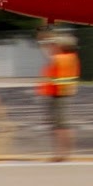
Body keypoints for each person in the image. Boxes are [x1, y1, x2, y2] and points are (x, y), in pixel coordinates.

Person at [37, 28, 81, 161]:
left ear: (62, 47)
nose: (54, 47)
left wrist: (44, 39)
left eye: (57, 45)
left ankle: (61, 154)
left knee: (60, 126)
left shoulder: (61, 59)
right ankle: (63, 153)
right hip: (61, 94)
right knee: (61, 126)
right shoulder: (71, 58)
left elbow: (48, 53)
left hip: (58, 95)